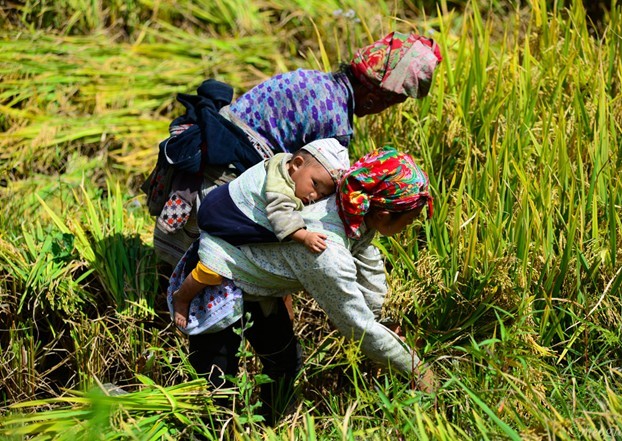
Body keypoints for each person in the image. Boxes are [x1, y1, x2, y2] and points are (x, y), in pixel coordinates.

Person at [167, 146, 436, 424]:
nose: (411, 224)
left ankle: (267, 427)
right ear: (382, 215)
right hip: (220, 281)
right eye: (410, 219)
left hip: (260, 290)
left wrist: (381, 318)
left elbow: (367, 258)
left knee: (284, 364)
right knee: (217, 382)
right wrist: (417, 369)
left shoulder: (352, 204)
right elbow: (358, 327)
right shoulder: (326, 253)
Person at [151, 32, 443, 271]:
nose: (387, 109)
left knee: (175, 272)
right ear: (372, 96)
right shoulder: (336, 126)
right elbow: (320, 204)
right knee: (202, 273)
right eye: (392, 102)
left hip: (209, 152)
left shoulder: (310, 79)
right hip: (222, 178)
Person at [170, 138, 349, 329]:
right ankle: (182, 296)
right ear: (296, 165)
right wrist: (305, 236)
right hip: (221, 217)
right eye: (314, 184)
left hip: (222, 210)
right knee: (211, 271)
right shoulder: (279, 188)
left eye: (322, 195)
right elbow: (281, 216)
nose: (314, 197)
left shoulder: (285, 167)